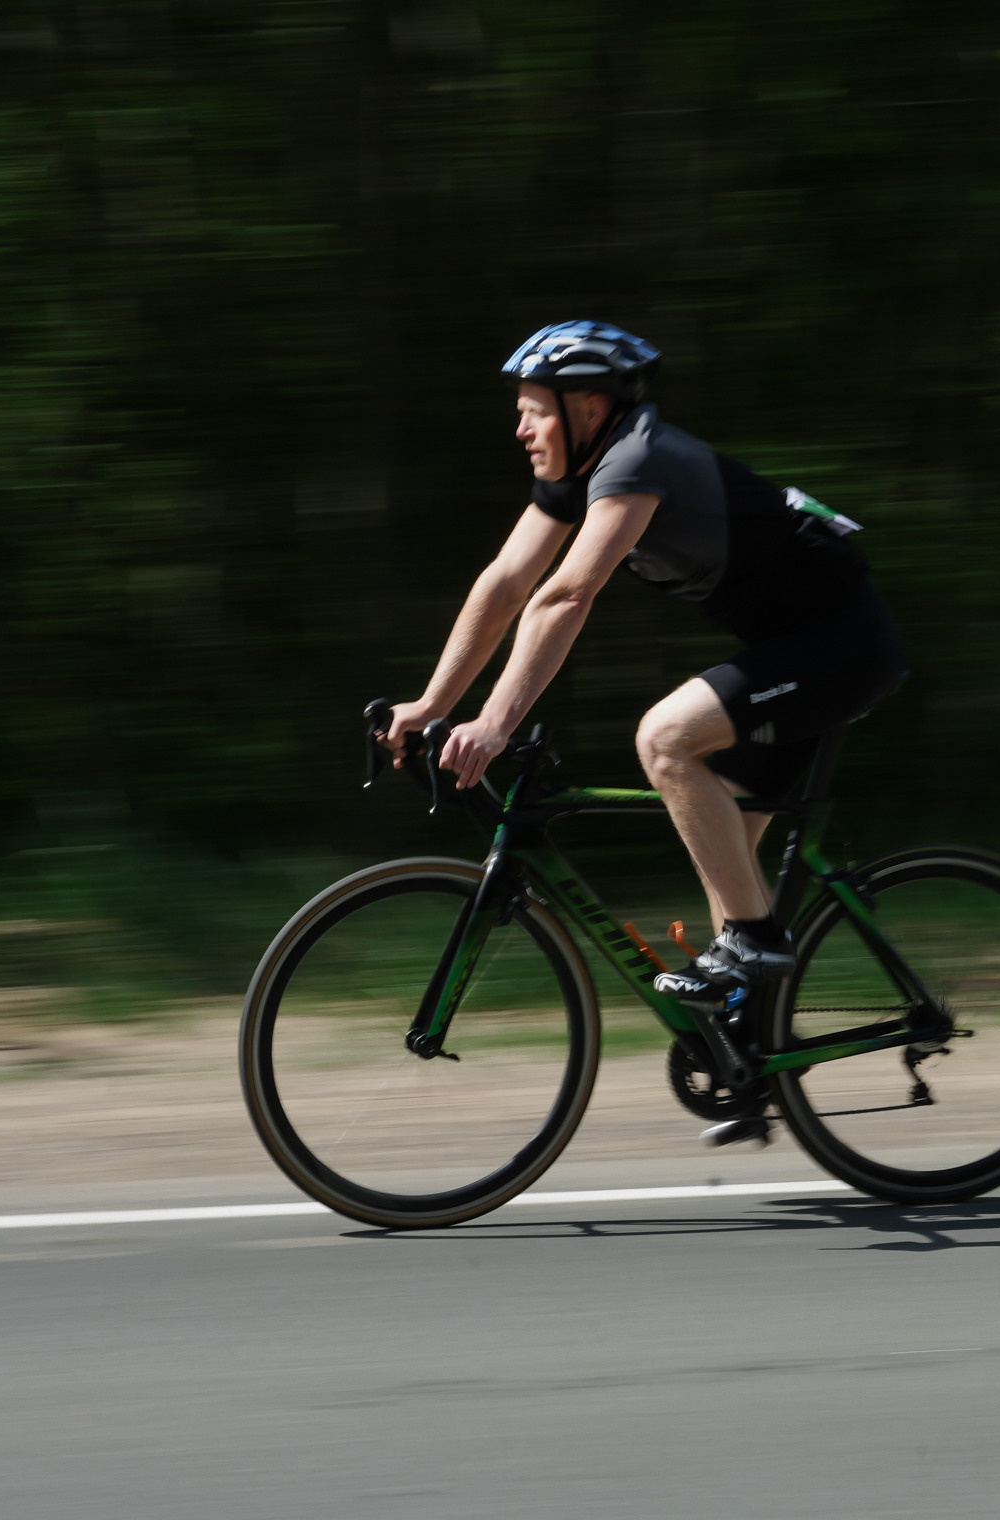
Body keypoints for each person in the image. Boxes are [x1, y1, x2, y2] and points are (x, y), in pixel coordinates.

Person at [377, 321, 905, 1034]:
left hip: (840, 646)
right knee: (729, 854)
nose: (522, 430)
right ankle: (747, 1060)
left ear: (589, 409)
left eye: (534, 412)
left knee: (665, 739)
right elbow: (506, 584)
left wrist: (495, 724)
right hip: (794, 649)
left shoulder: (637, 458)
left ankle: (756, 948)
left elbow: (566, 594)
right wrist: (433, 703)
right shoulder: (577, 476)